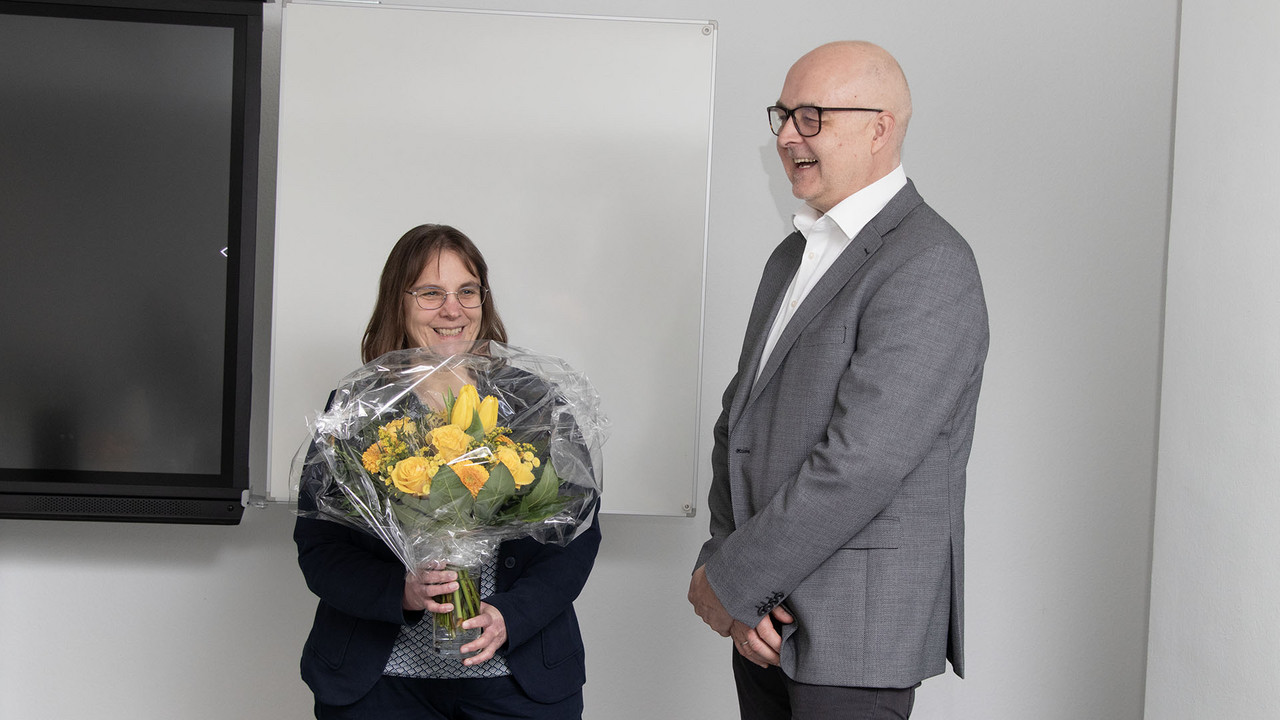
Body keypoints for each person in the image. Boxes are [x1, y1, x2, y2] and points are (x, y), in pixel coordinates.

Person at [688, 41, 989, 719]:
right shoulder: (791, 256)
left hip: (855, 633)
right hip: (764, 623)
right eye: (783, 115)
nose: (786, 136)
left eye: (811, 117)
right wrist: (727, 568)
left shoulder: (930, 262)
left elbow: (861, 463)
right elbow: (740, 426)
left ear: (880, 129)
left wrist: (733, 580)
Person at [294, 224, 601, 720]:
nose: (452, 310)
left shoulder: (533, 402)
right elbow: (320, 546)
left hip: (516, 685)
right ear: (398, 302)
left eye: (467, 291)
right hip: (379, 687)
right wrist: (401, 591)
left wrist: (510, 616)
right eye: (431, 293)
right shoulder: (357, 408)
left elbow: (577, 533)